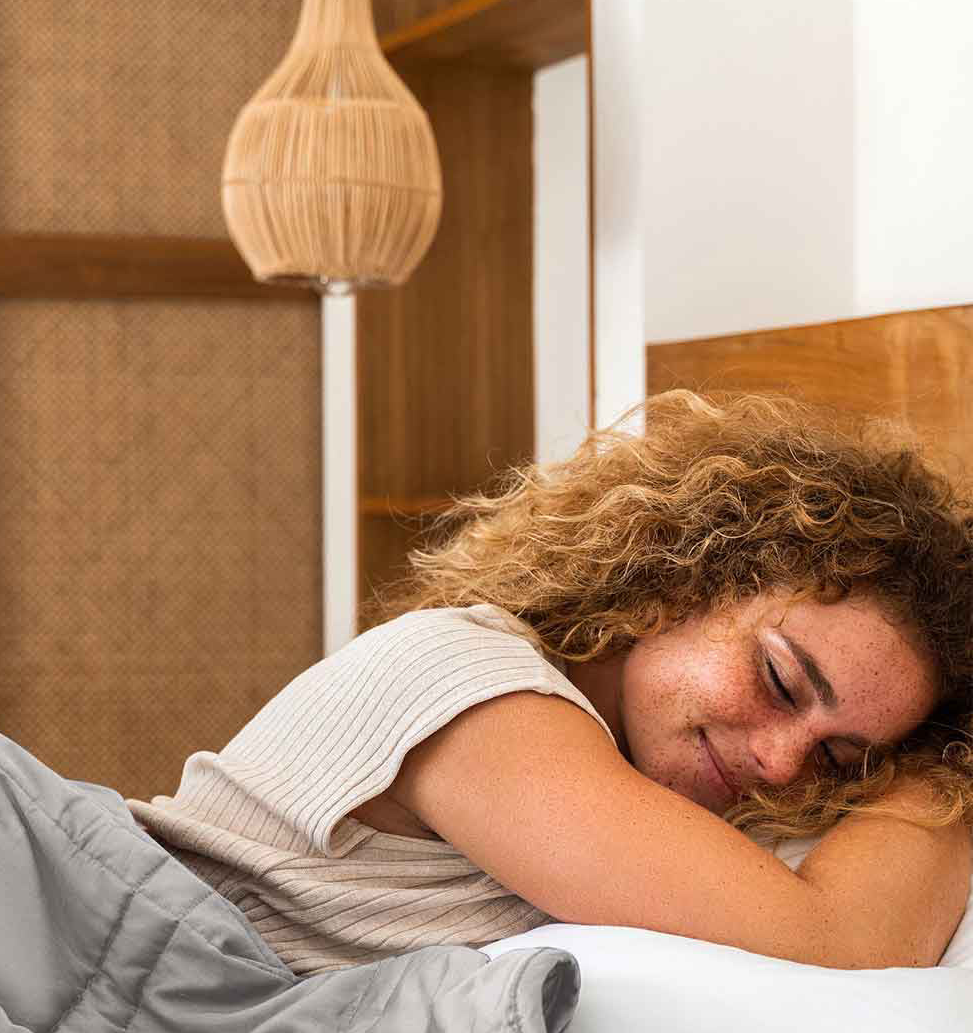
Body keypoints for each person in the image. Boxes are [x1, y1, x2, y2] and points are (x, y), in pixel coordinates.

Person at [128, 391, 973, 976]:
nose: (785, 766)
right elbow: (836, 943)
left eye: (838, 756)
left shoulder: (625, 771)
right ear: (687, 576)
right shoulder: (474, 687)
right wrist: (954, 770)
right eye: (781, 681)